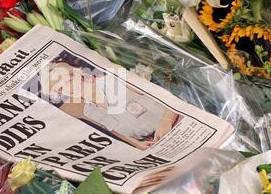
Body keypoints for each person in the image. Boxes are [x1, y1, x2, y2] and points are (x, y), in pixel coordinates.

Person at [38, 60, 180, 150]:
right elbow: (116, 132)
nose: (68, 88)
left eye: (67, 80)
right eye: (60, 89)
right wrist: (137, 144)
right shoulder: (89, 112)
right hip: (159, 144)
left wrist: (166, 121)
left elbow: (172, 94)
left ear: (78, 72)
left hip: (178, 122)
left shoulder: (115, 78)